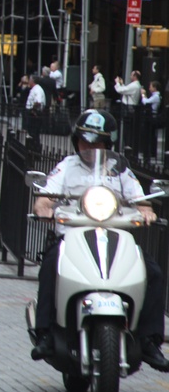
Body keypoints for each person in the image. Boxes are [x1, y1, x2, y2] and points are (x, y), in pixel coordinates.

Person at [30, 109, 169, 371]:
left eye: (98, 142)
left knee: (154, 273)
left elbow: (140, 200)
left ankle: (149, 341)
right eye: (85, 140)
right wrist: (44, 207)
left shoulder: (120, 170)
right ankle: (46, 334)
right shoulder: (66, 166)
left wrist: (147, 211)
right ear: (76, 141)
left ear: (108, 145)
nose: (91, 147)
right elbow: (45, 196)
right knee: (50, 266)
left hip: (115, 236)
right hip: (73, 236)